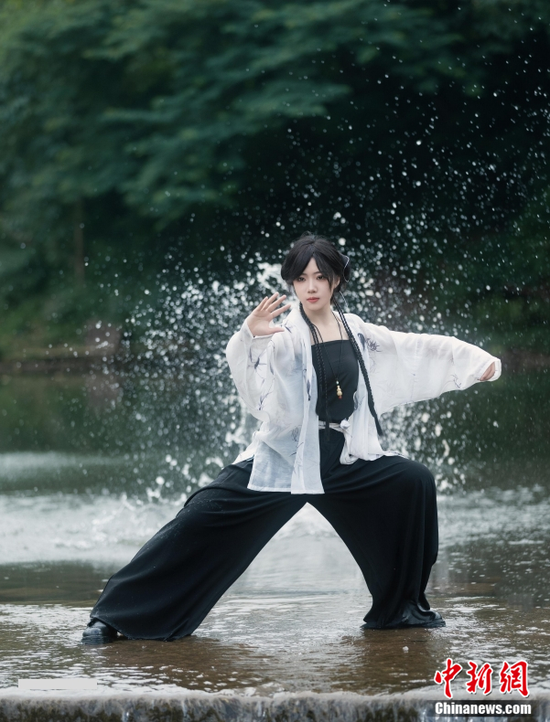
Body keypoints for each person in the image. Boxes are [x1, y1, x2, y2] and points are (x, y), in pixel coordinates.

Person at [82, 233, 500, 644]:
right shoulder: (284, 337)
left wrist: (473, 361)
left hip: (343, 460)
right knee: (201, 515)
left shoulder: (356, 331)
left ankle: (401, 609)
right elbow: (252, 377)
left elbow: (414, 349)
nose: (310, 287)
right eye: (301, 279)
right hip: (287, 457)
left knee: (412, 482)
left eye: (319, 277)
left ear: (336, 281)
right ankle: (114, 615)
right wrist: (250, 335)